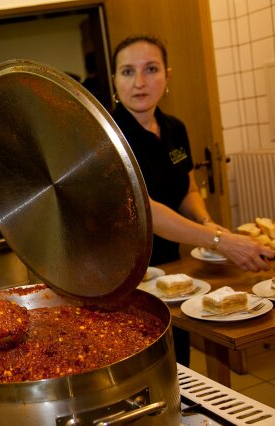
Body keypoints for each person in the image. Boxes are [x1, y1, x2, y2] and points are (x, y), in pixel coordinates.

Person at [110, 34, 274, 366]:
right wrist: (219, 240)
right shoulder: (109, 137)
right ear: (114, 79)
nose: (139, 82)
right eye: (127, 71)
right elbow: (146, 210)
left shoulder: (174, 128)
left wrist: (208, 223)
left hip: (173, 269)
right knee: (145, 366)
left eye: (151, 69)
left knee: (178, 361)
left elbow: (187, 188)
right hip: (127, 278)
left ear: (167, 75)